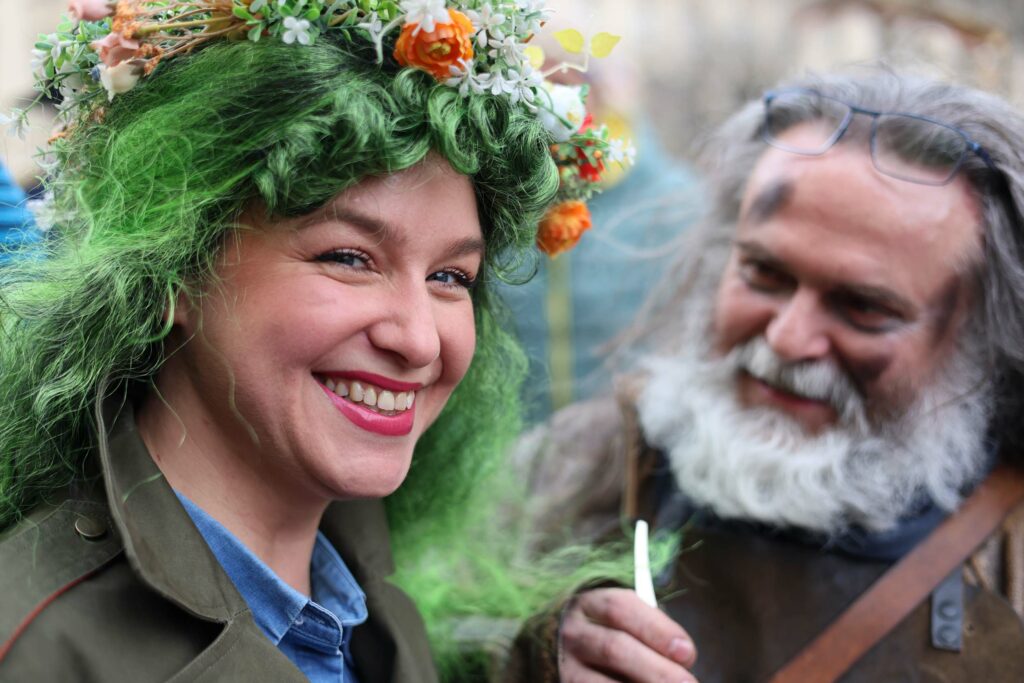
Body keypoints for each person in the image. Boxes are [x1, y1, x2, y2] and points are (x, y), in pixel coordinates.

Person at [0, 2, 697, 681]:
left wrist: (535, 661)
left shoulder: (366, 578)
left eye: (451, 276)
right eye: (349, 258)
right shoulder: (38, 650)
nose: (419, 340)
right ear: (172, 268)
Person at [518, 69, 1024, 681]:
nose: (786, 338)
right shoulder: (574, 467)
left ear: (983, 337)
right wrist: (536, 651)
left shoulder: (1009, 558)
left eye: (863, 307)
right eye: (764, 273)